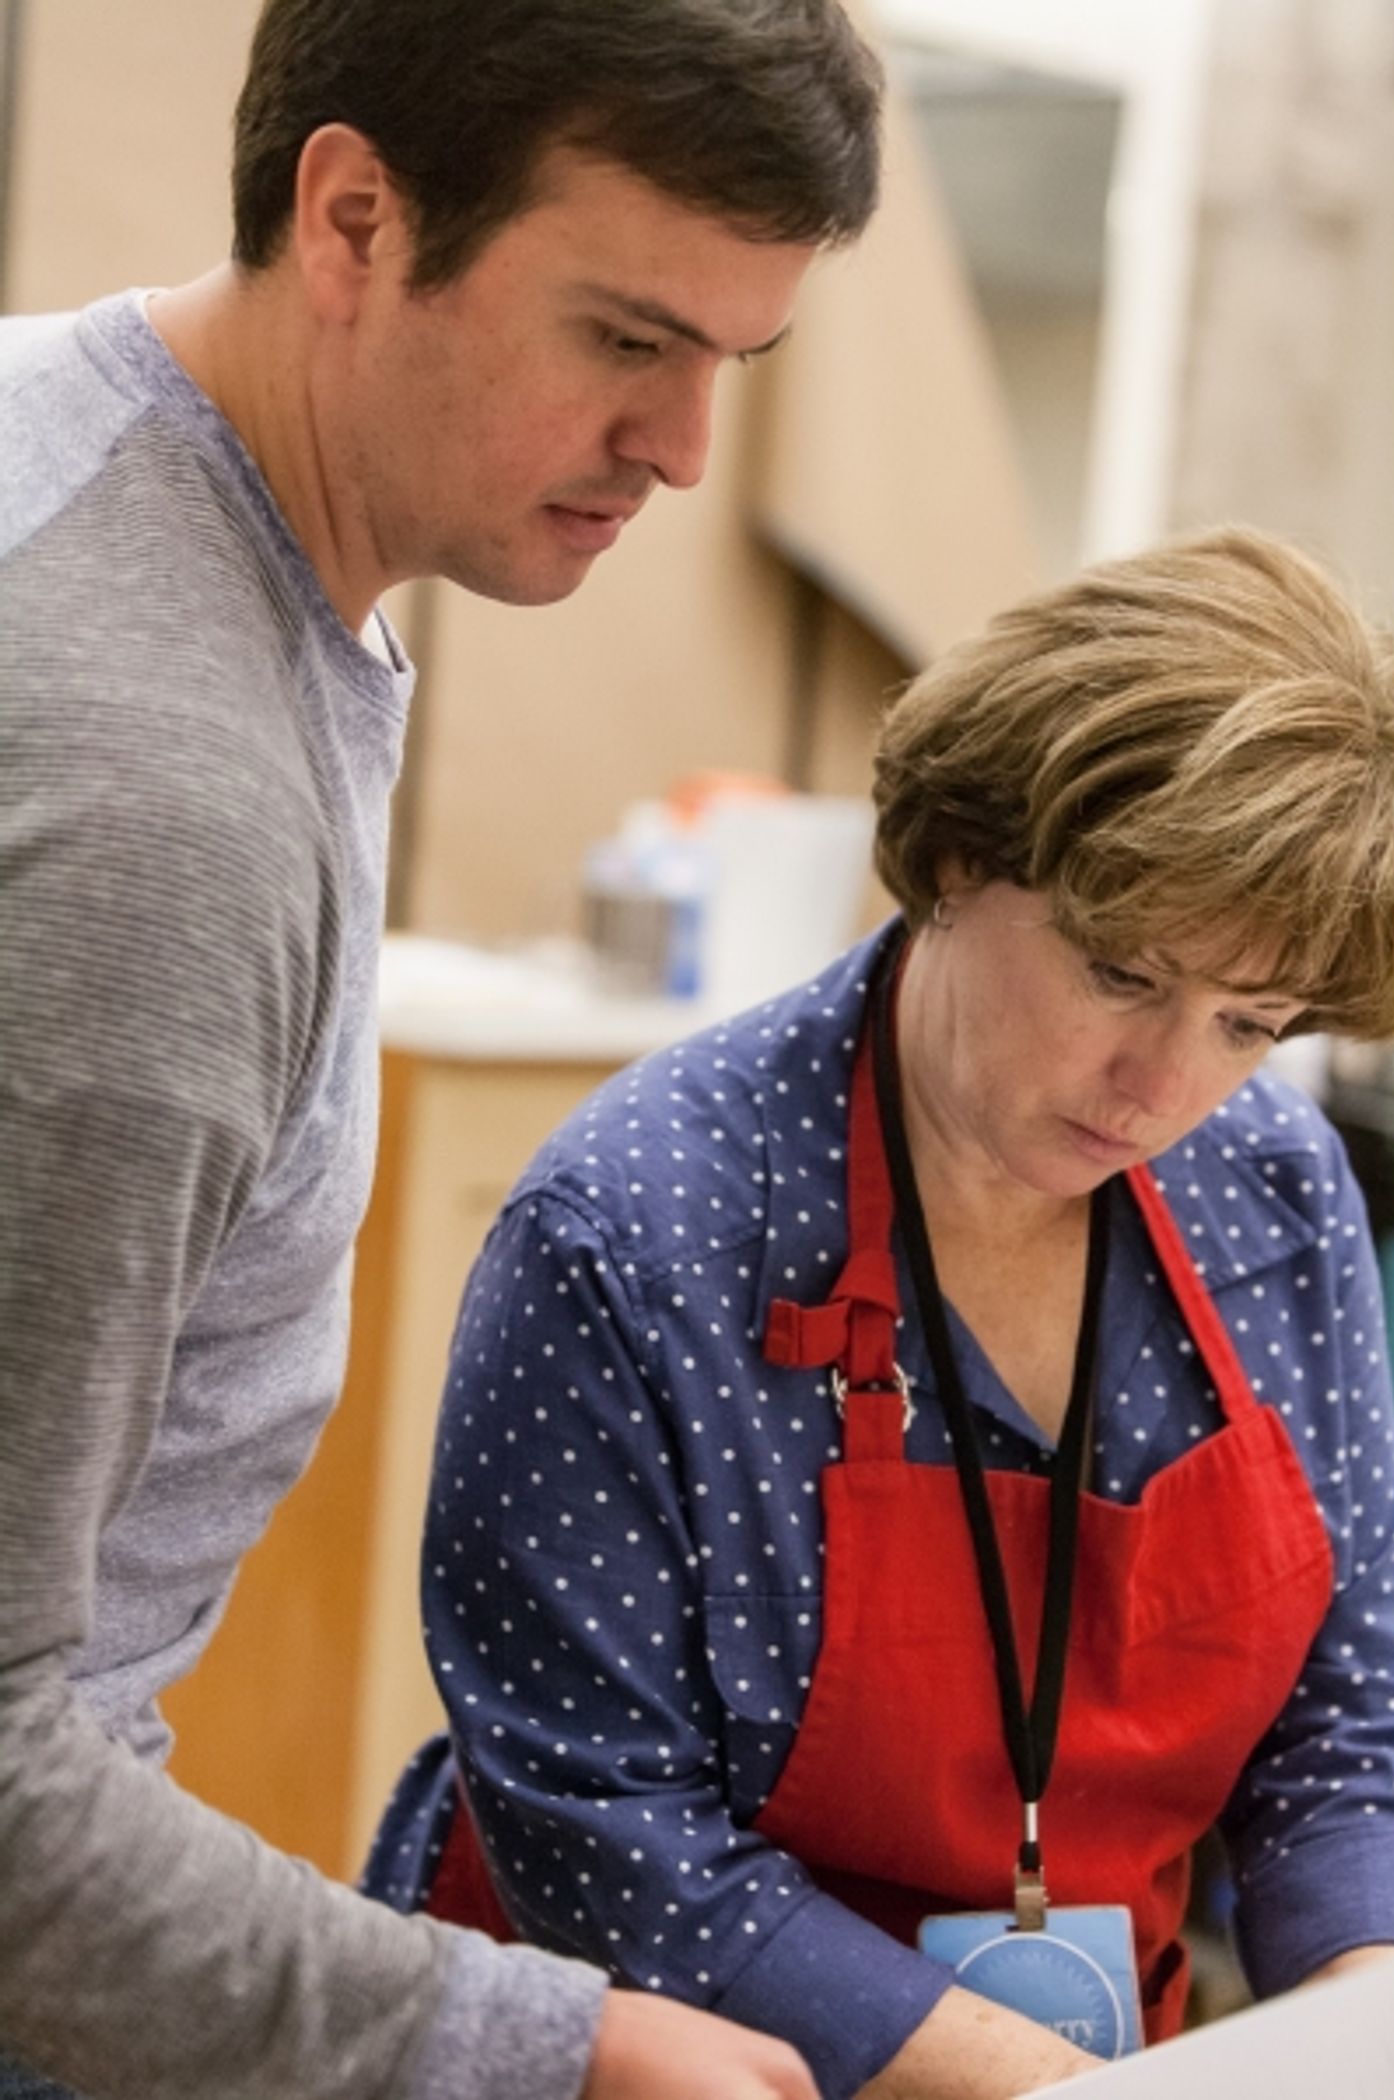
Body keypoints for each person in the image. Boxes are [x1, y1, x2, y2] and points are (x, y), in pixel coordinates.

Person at [0, 3, 883, 2098]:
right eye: (623, 340)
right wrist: (541, 2044)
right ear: (356, 217)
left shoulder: (86, 452)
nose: (681, 451)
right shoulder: (156, 803)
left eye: (731, 371)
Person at [365, 526, 1394, 2099]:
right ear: (960, 856)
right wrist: (1053, 2090)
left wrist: (1363, 2014)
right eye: (1124, 977)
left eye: (1249, 1024)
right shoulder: (636, 1235)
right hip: (673, 2061)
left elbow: (1345, 1724)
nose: (1169, 1089)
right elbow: (611, 1841)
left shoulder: (1273, 1191)